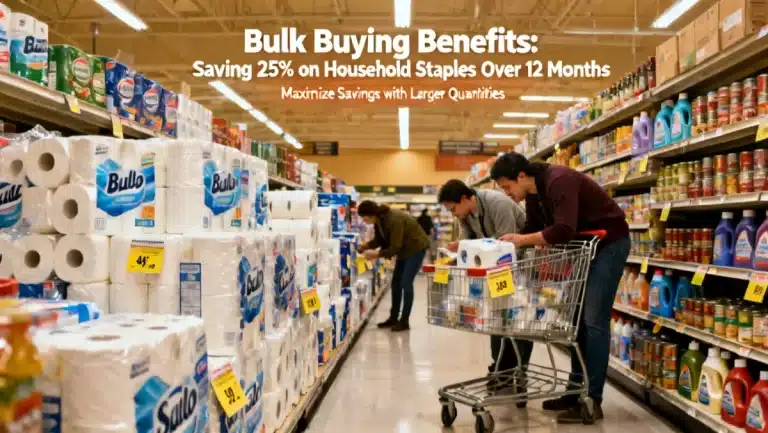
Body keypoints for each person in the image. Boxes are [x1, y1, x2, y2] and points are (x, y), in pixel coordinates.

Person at [490, 152, 630, 424]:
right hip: (583, 249)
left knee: (594, 320)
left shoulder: (559, 179)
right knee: (576, 322)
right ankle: (575, 391)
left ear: (521, 176)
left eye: (507, 187)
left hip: (608, 245)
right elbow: (534, 228)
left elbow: (563, 229)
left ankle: (593, 399)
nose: (507, 194)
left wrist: (522, 240)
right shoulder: (534, 192)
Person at [437, 179, 530, 392]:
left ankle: (514, 369)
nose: (453, 214)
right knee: (495, 319)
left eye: (452, 209)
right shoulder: (466, 213)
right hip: (494, 270)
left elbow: (507, 247)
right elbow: (468, 242)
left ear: (463, 198)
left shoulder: (499, 203)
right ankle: (501, 369)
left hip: (518, 265)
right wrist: (457, 253)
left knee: (518, 321)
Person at [357, 200, 430, 332]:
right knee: (396, 283)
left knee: (406, 283)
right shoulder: (379, 221)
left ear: (371, 214)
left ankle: (404, 321)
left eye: (364, 217)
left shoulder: (394, 219)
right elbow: (380, 240)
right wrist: (365, 246)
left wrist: (376, 255)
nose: (363, 220)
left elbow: (395, 247)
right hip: (404, 250)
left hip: (415, 248)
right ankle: (393, 318)